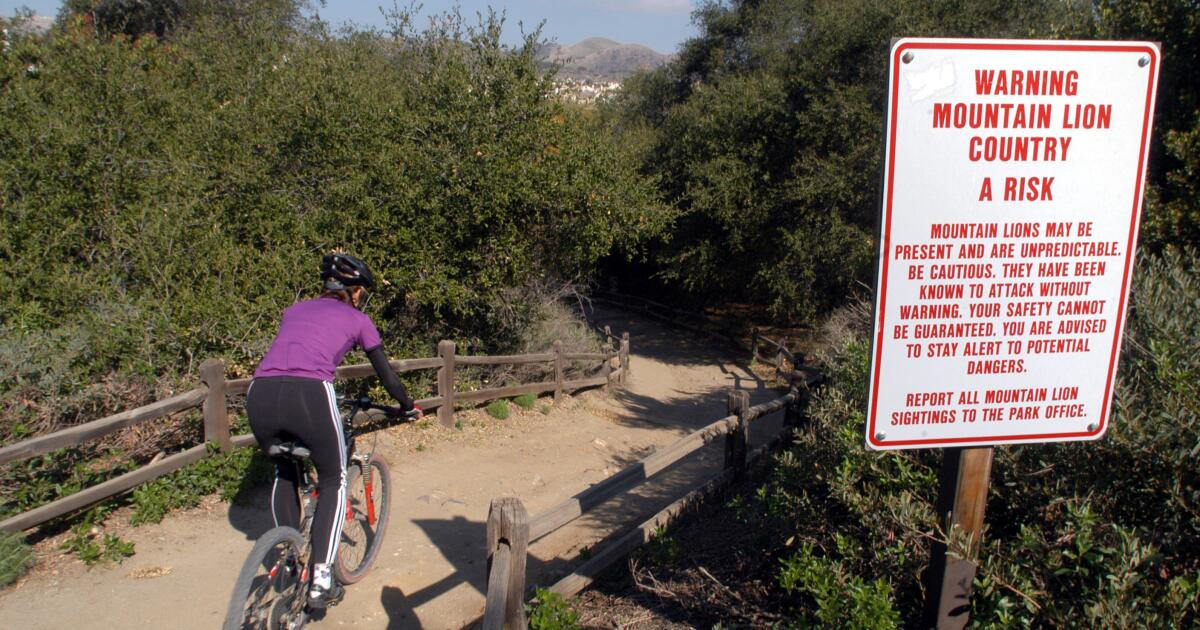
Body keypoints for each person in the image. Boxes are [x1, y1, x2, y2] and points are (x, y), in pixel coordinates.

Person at [246, 252, 420, 609]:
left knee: (285, 468)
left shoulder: (293, 311)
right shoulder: (359, 319)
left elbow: (294, 352)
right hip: (308, 393)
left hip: (260, 393)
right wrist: (406, 405)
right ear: (354, 291)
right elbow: (386, 375)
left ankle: (292, 557)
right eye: (361, 292)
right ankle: (322, 578)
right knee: (334, 480)